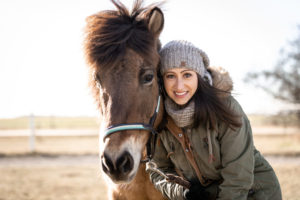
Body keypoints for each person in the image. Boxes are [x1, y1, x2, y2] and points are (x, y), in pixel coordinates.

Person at [147, 40, 282, 200]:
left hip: (254, 192)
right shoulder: (159, 117)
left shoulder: (225, 107)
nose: (179, 85)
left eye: (187, 75)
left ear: (199, 76)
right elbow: (157, 171)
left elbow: (237, 177)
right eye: (171, 76)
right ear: (162, 80)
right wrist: (183, 193)